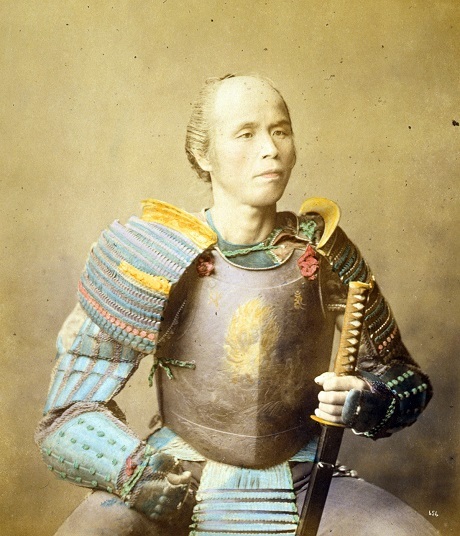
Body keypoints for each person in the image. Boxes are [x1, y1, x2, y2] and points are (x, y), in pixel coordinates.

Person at [36, 74, 436, 536]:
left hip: (306, 478)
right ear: (203, 154)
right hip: (179, 474)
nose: (270, 149)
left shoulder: (327, 250)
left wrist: (367, 397)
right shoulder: (150, 254)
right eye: (246, 134)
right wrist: (137, 474)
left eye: (280, 131)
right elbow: (67, 415)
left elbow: (407, 380)